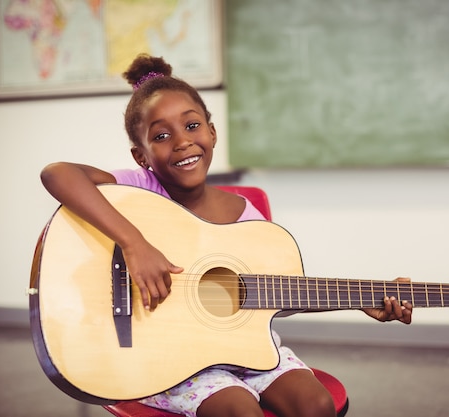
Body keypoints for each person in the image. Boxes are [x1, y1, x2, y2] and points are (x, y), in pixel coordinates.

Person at [40, 54, 413, 417]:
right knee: (238, 410)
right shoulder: (139, 189)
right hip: (172, 359)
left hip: (246, 347)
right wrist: (134, 244)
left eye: (192, 126)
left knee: (315, 405)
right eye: (162, 135)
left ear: (212, 131)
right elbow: (57, 174)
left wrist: (365, 299)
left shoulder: (245, 218)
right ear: (142, 156)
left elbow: (274, 294)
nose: (182, 142)